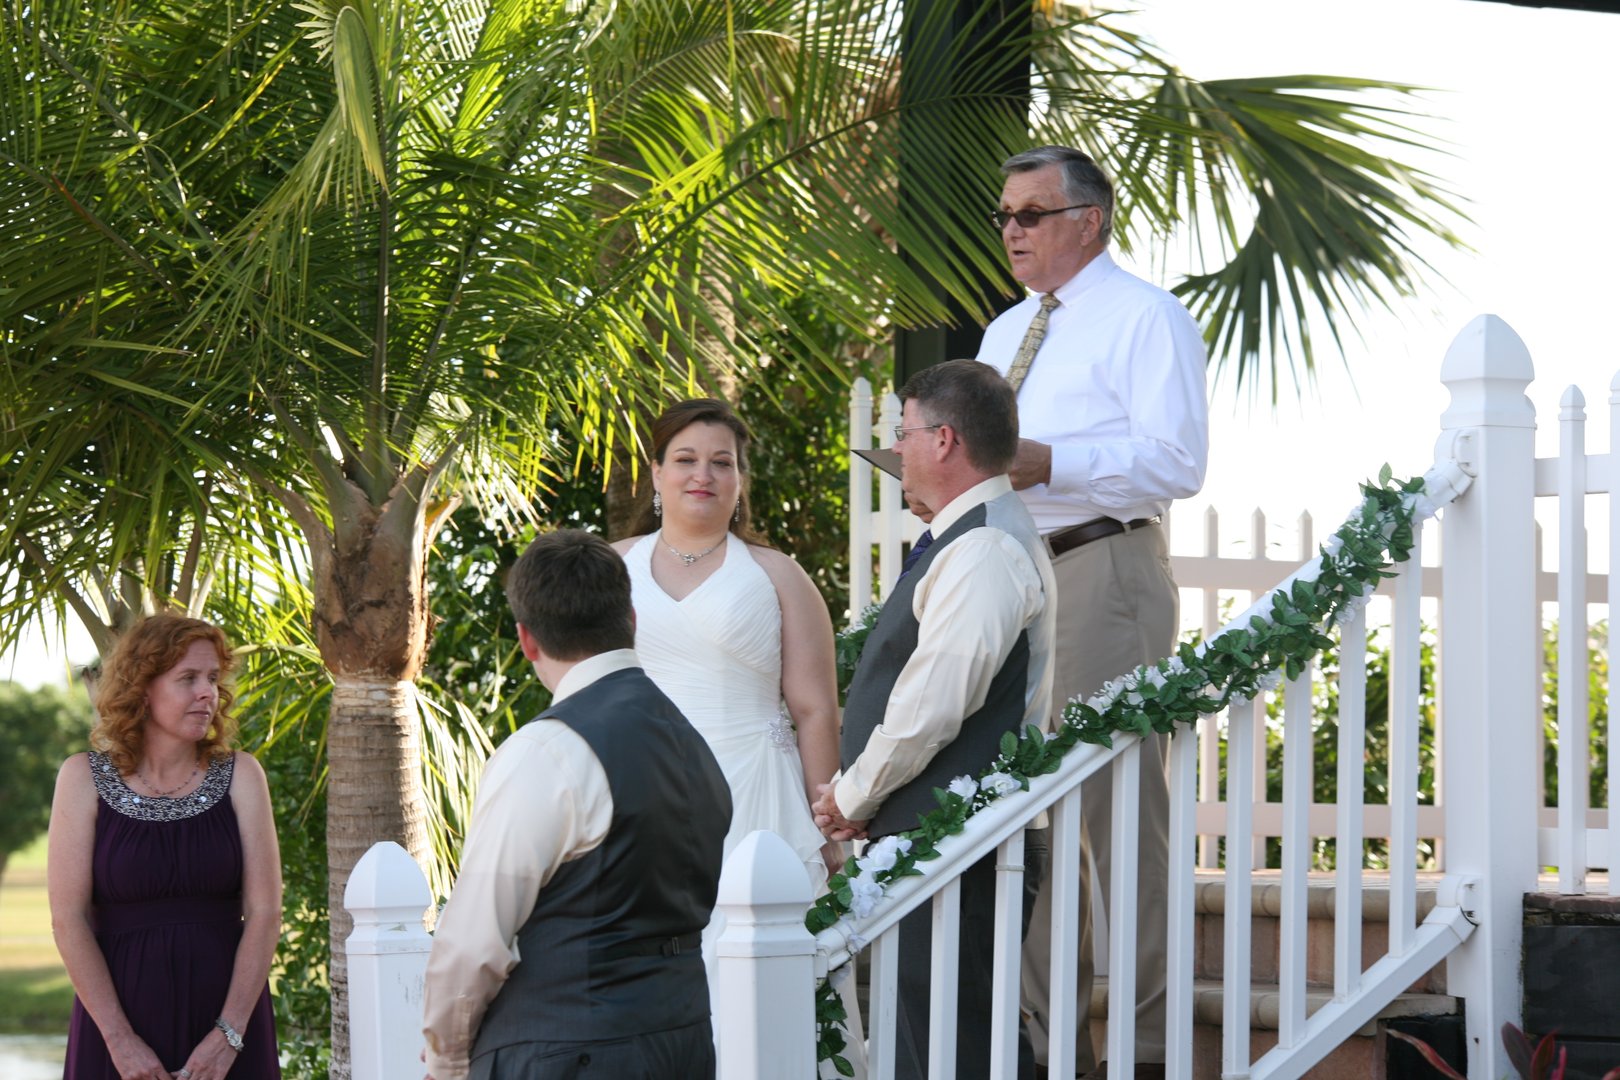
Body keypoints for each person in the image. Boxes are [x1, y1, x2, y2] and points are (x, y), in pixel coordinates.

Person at [978, 145, 1210, 1080]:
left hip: (1100, 565)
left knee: (1117, 819)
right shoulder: (1004, 333)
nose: (1013, 233)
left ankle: (1148, 1051)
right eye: (1005, 217)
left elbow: (1177, 462)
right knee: (1029, 817)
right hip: (1010, 577)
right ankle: (1045, 1048)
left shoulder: (1145, 317)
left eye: (1032, 214)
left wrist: (1050, 464)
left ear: (1090, 219)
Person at [813, 359, 1056, 1080]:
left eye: (903, 432)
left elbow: (933, 705)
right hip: (941, 842)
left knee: (955, 1051)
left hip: (962, 850)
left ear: (944, 440)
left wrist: (854, 795)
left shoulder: (983, 547)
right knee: (930, 1046)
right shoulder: (972, 535)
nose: (898, 449)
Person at [422, 529, 732, 1080]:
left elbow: (473, 943)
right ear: (631, 620)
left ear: (527, 639)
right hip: (683, 1044)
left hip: (567, 1055)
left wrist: (446, 1061)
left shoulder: (546, 751)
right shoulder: (694, 744)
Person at [613, 398, 841, 894]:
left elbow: (815, 709)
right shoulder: (609, 569)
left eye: (722, 463)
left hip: (756, 794)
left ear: (740, 480)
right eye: (686, 459)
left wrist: (824, 826)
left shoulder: (778, 574)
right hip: (637, 789)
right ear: (656, 473)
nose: (704, 475)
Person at [49, 613, 282, 1080]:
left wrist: (228, 1036)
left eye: (213, 678)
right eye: (188, 678)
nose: (207, 693)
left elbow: (265, 912)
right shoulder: (82, 779)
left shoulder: (243, 775)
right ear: (143, 687)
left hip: (228, 1025)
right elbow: (68, 919)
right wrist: (119, 1040)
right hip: (116, 1028)